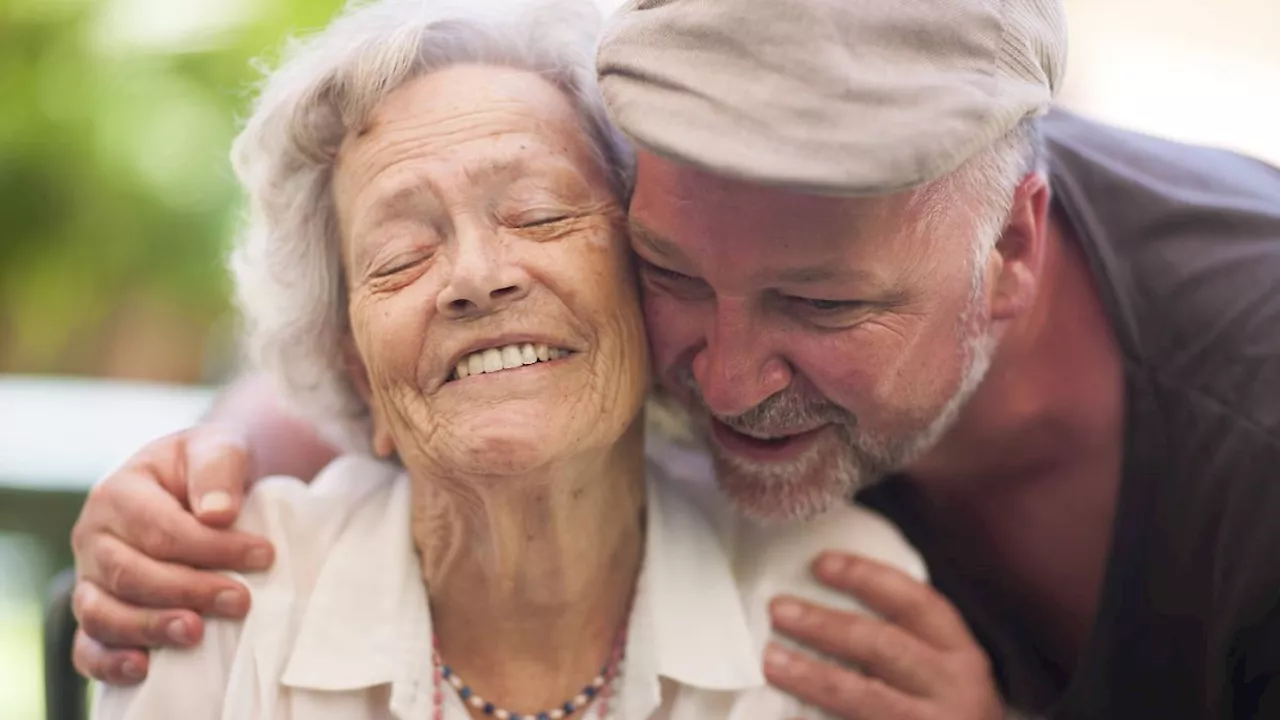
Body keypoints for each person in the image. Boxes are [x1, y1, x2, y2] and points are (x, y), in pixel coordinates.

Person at [72, 0, 1280, 718]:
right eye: (670, 275)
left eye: (818, 302)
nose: (723, 378)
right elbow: (390, 361)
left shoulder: (1251, 421)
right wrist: (177, 488)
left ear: (1007, 247)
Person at [87, 0, 932, 717]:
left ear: (648, 283)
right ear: (357, 371)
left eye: (537, 214)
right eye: (401, 256)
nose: (477, 279)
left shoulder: (830, 602)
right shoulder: (215, 606)